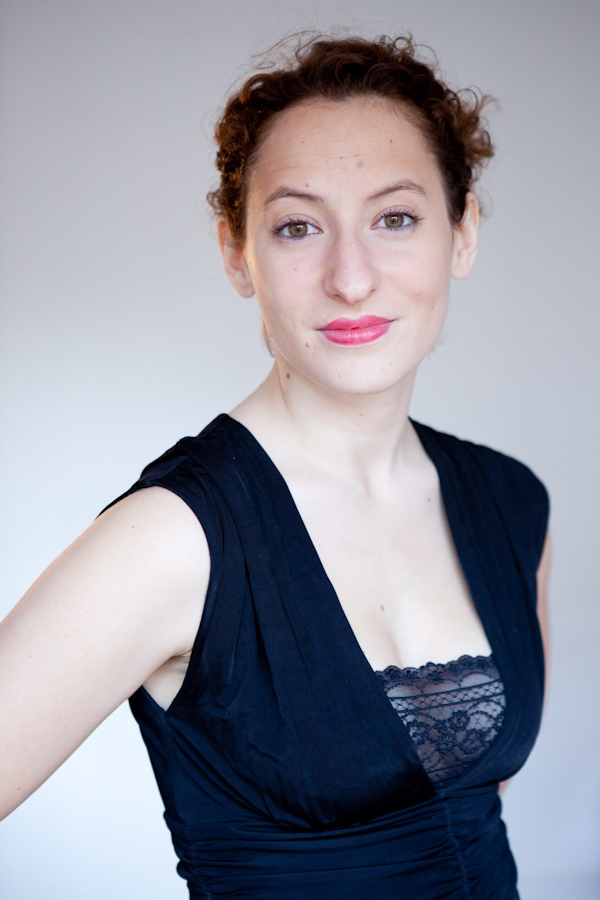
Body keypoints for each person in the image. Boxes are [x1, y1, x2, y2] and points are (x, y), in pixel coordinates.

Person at [0, 33, 551, 899]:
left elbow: (465, 807)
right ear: (236, 252)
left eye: (395, 218)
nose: (351, 278)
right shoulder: (172, 539)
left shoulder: (513, 503)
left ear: (463, 232)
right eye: (298, 227)